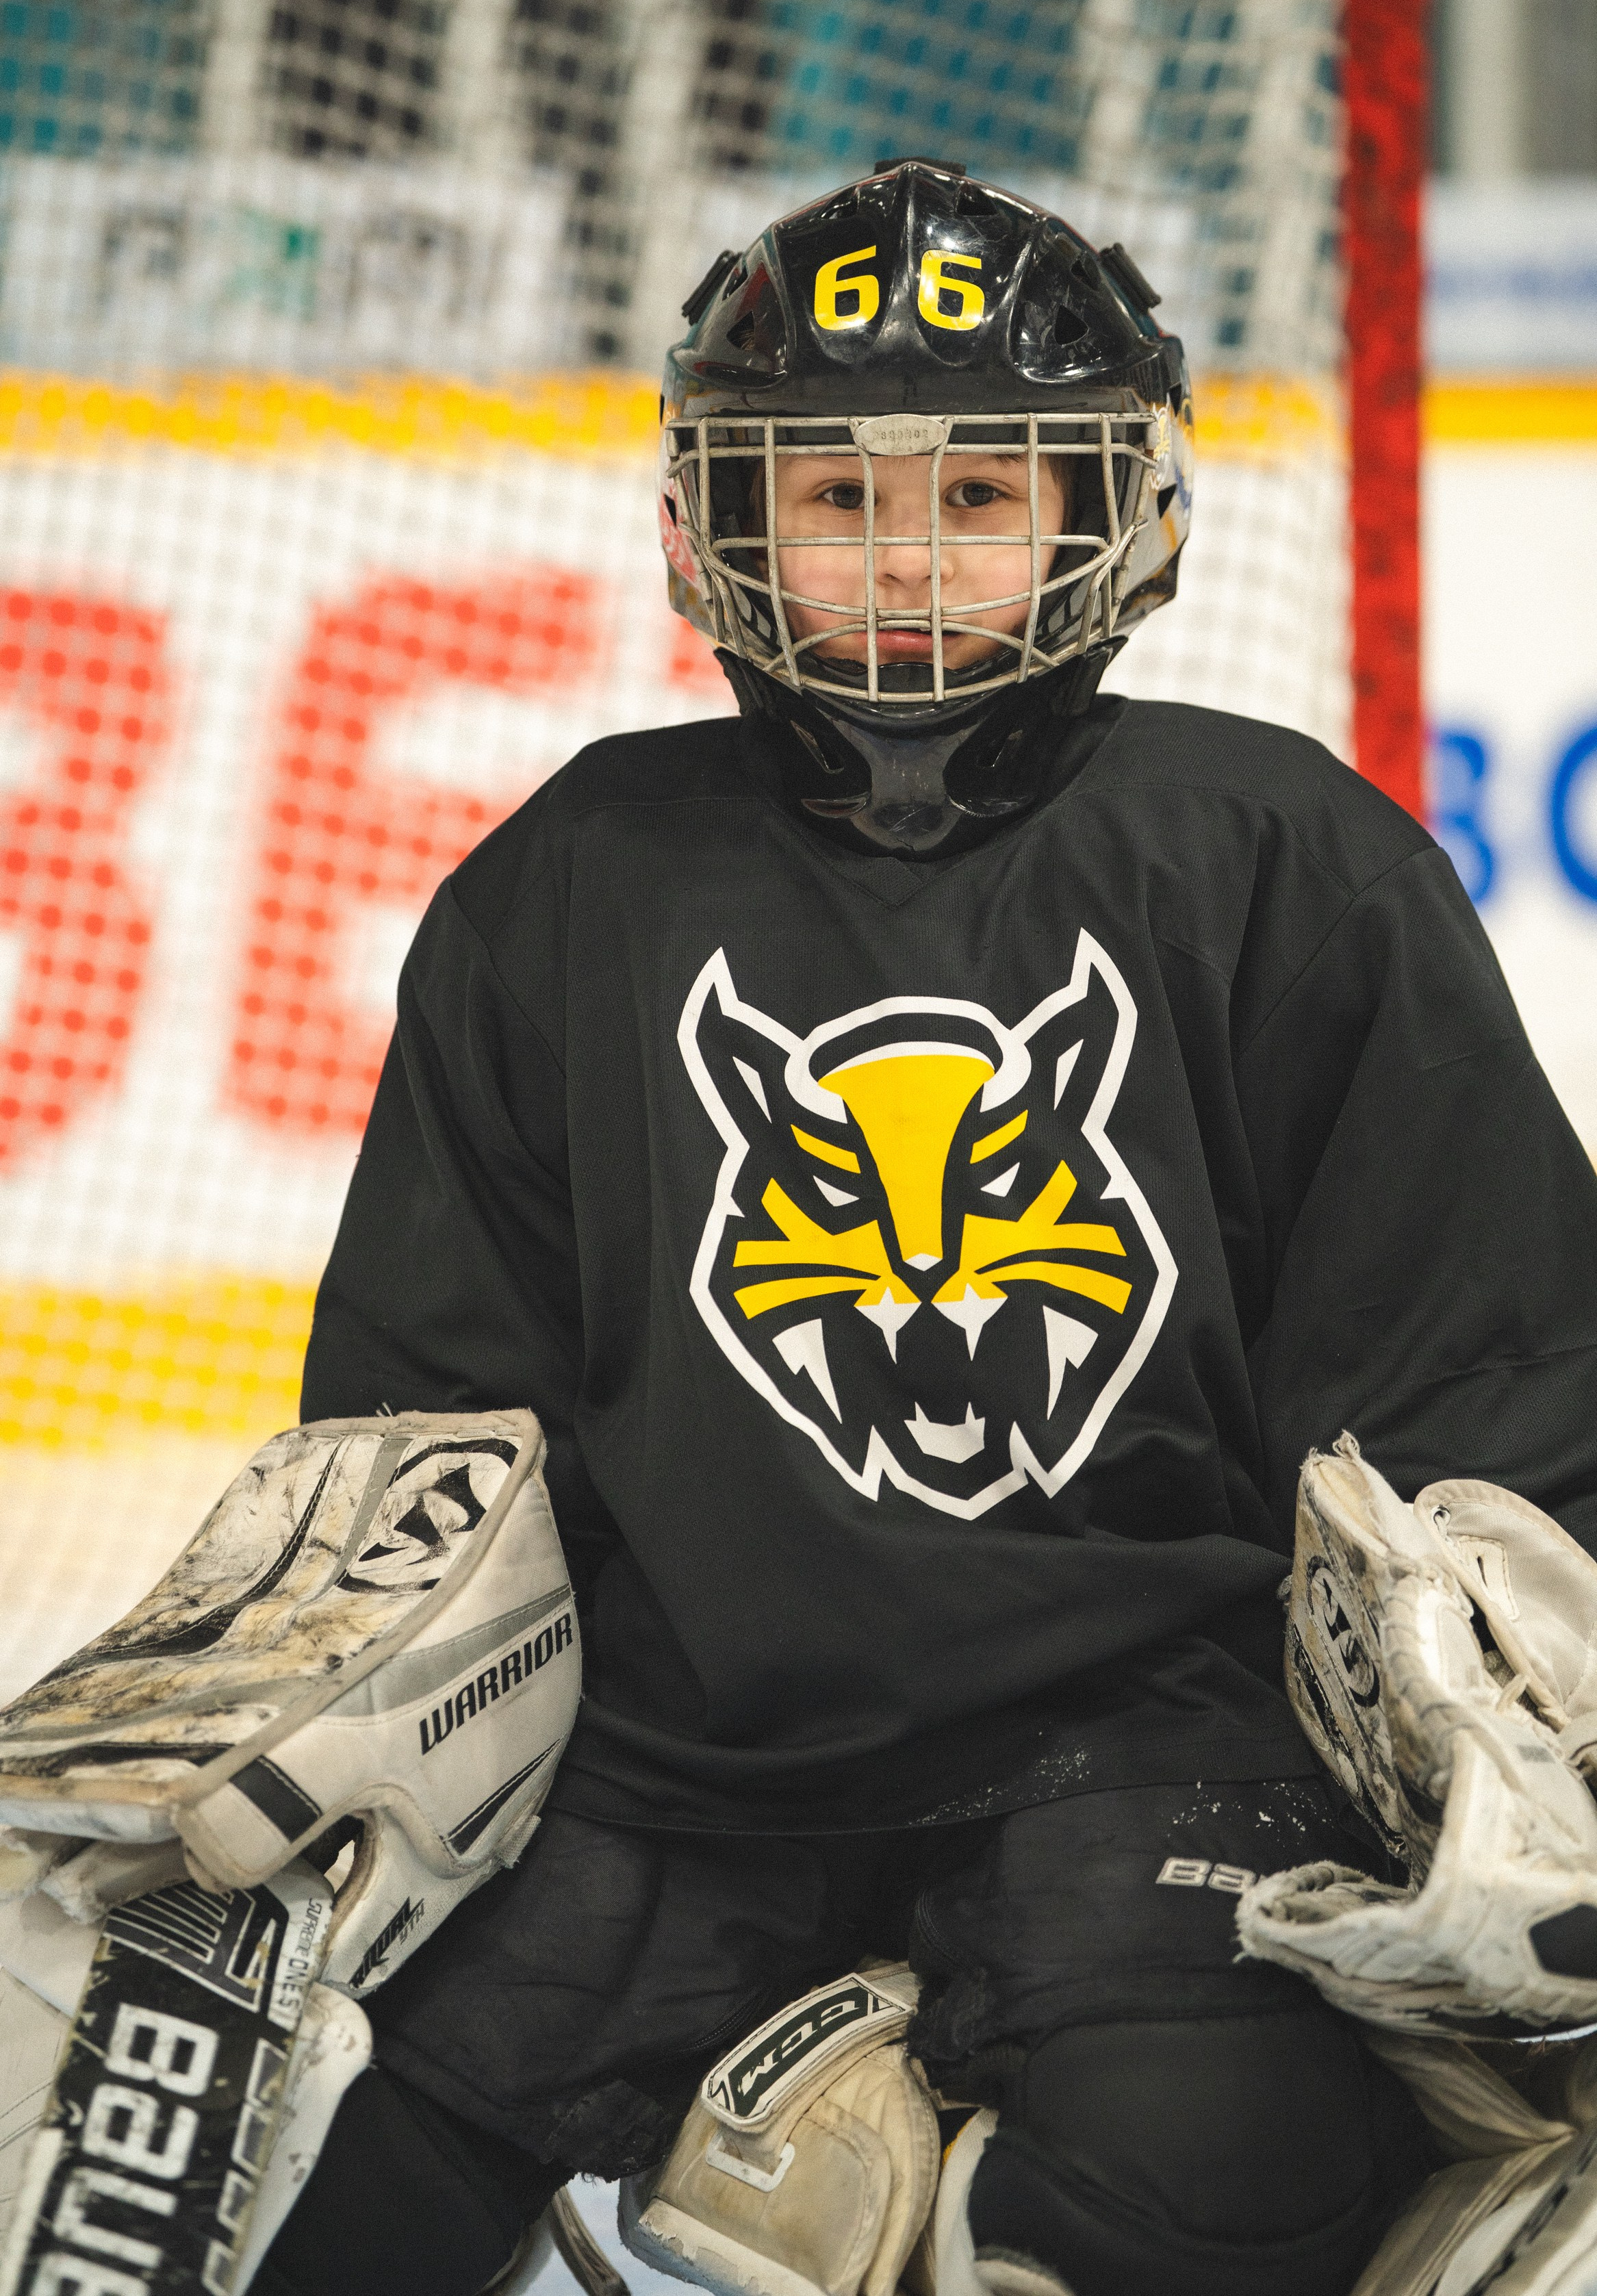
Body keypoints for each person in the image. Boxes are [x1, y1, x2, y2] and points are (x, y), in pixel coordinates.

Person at [259, 160, 1597, 2296]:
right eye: (835, 496)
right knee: (289, 2175)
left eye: (978, 495)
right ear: (719, 520)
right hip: (667, 1753)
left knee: (1214, 2186)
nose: (902, 560)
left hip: (1150, 1730)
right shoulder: (568, 886)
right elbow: (434, 1429)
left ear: (1107, 518)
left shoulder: (1282, 863)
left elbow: (1481, 1388)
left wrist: (1516, 1732)